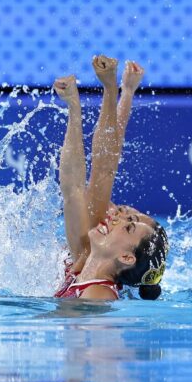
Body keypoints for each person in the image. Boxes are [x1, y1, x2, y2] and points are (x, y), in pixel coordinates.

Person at [51, 56, 168, 300]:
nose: (115, 215)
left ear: (126, 257)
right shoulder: (84, 262)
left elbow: (90, 179)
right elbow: (105, 164)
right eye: (126, 214)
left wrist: (79, 104)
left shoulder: (98, 293)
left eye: (128, 223)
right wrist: (118, 92)